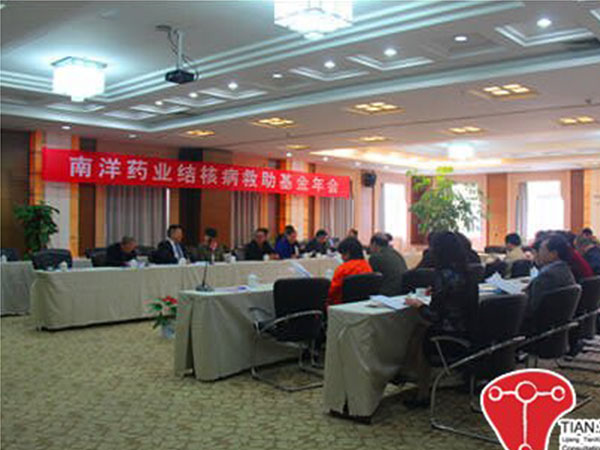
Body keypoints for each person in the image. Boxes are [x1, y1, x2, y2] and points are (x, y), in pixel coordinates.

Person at [404, 231, 479, 407]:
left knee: (421, 334)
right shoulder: (468, 272)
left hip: (450, 336)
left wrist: (418, 305)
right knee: (420, 330)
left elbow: (434, 316)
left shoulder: (442, 275)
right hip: (469, 332)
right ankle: (409, 375)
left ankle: (421, 392)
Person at [525, 234, 576, 324]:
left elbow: (531, 309)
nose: (538, 253)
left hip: (538, 325)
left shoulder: (547, 276)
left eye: (541, 250)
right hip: (557, 325)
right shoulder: (565, 269)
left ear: (553, 254)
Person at [327, 237, 373, 306]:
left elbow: (332, 292)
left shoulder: (343, 269)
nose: (341, 257)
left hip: (341, 305)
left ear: (348, 253)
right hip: (363, 304)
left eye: (342, 254)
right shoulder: (367, 266)